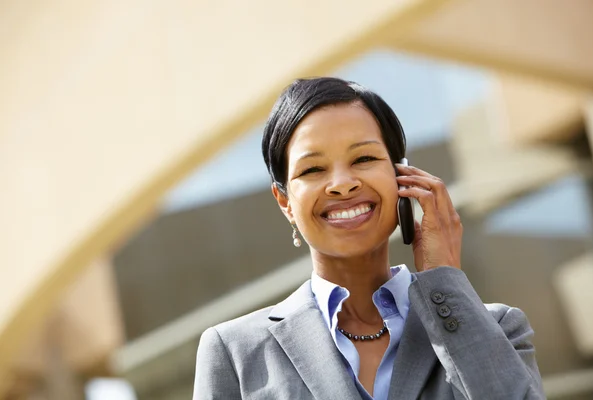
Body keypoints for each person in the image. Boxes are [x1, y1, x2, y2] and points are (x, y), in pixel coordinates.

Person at [193, 77, 544, 399]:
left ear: (402, 176)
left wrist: (444, 282)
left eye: (363, 158)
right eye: (313, 169)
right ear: (285, 202)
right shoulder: (235, 353)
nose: (342, 183)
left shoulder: (499, 328)